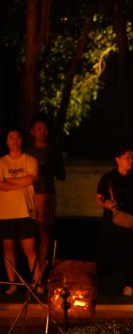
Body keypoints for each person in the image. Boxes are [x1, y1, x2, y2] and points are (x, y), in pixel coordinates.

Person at [95, 145, 133, 296]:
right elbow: (98, 198)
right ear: (117, 159)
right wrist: (105, 204)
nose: (130, 161)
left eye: (131, 158)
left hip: (129, 221)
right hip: (110, 220)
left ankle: (128, 285)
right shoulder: (108, 177)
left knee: (129, 253)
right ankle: (101, 284)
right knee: (105, 252)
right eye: (126, 158)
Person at [25, 115, 66, 290]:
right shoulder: (27, 151)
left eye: (45, 129)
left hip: (47, 194)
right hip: (29, 195)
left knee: (45, 233)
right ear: (32, 132)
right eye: (39, 129)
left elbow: (62, 175)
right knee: (28, 234)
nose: (43, 132)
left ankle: (40, 272)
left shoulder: (53, 151)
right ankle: (28, 272)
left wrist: (50, 169)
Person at [0, 129, 39, 294]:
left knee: (30, 248)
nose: (15, 140)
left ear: (22, 140)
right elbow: (1, 185)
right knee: (8, 249)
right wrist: (19, 182)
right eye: (11, 137)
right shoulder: (2, 162)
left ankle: (37, 284)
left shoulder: (30, 160)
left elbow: (31, 178)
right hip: (6, 212)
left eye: (17, 137)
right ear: (7, 142)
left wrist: (10, 181)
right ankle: (12, 284)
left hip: (25, 210)